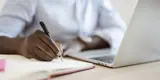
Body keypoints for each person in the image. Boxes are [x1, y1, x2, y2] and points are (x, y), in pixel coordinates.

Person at [0, 0, 126, 61]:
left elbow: (120, 30)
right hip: (46, 66)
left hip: (86, 66)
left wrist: (85, 42)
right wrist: (22, 45)